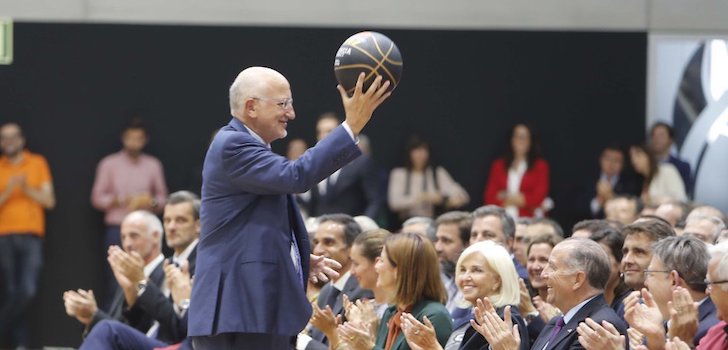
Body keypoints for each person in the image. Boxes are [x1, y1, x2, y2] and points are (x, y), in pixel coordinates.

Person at [187, 67, 391, 349]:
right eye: (283, 103)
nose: (291, 113)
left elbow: (253, 228)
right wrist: (351, 126)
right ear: (251, 107)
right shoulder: (233, 144)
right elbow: (296, 177)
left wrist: (294, 260)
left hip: (251, 311)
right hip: (238, 311)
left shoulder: (250, 147)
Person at [470, 239, 627, 350]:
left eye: (552, 267)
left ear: (578, 279)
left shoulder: (599, 327)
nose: (544, 274)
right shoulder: (557, 322)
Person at [91, 119, 168, 307]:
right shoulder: (109, 164)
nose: (134, 143)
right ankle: (114, 324)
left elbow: (164, 198)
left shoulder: (153, 165)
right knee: (115, 279)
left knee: (148, 275)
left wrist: (149, 201)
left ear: (145, 140)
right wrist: (120, 200)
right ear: (123, 139)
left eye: (138, 138)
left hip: (145, 230)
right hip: (117, 228)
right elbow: (97, 198)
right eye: (130, 138)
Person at [400, 240, 529, 350]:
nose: (465, 277)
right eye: (462, 270)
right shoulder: (468, 317)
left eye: (476, 270)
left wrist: (434, 347)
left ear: (497, 280)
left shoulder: (505, 320)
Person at [337, 233, 453, 350]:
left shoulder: (433, 316)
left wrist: (368, 346)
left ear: (399, 270)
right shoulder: (391, 312)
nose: (376, 267)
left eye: (381, 261)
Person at [63, 211, 166, 337]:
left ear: (155, 236)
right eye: (123, 237)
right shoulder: (126, 277)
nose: (127, 244)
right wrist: (91, 316)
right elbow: (121, 327)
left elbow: (144, 333)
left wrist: (95, 315)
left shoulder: (168, 274)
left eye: (134, 236)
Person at [0, 122, 55, 348]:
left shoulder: (37, 163)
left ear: (22, 140)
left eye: (13, 137)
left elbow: (49, 201)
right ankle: (21, 346)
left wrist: (26, 189)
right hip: (4, 236)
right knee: (12, 292)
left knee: (27, 291)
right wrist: (9, 190)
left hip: (31, 236)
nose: (9, 141)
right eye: (4, 138)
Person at [301, 214, 372, 350]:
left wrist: (302, 342)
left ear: (352, 248)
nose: (318, 250)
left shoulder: (364, 290)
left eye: (329, 242)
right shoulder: (327, 290)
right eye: (316, 242)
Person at [302, 113, 385, 220]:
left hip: (351, 229)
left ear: (341, 134)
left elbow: (375, 200)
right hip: (320, 229)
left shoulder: (361, 162)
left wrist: (362, 226)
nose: (323, 136)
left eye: (329, 131)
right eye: (320, 132)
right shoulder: (315, 164)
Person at [388, 135, 469, 222]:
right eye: (416, 150)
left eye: (424, 150)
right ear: (409, 152)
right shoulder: (399, 174)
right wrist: (422, 197)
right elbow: (394, 203)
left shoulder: (436, 173)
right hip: (405, 222)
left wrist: (448, 200)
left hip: (431, 221)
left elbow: (463, 196)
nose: (420, 155)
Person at [483, 123, 549, 218]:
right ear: (512, 139)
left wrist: (506, 197)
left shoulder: (540, 166)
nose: (520, 141)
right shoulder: (498, 165)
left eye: (524, 137)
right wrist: (522, 197)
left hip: (529, 220)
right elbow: (489, 198)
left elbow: (538, 198)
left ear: (530, 141)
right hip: (502, 219)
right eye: (517, 136)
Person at [470, 205, 529, 282]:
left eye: (488, 235)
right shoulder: (464, 276)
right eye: (474, 235)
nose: (477, 240)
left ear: (509, 242)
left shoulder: (521, 280)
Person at [433, 211, 473, 314]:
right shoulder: (446, 283)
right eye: (437, 240)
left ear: (467, 244)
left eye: (446, 241)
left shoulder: (475, 289)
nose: (438, 248)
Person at [588, 145, 639, 218]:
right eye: (608, 159)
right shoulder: (589, 180)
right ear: (600, 160)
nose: (611, 164)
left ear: (623, 164)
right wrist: (598, 200)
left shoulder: (630, 184)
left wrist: (610, 196)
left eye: (616, 160)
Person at [649, 122, 692, 195]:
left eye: (661, 135)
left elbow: (684, 192)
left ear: (670, 139)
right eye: (654, 135)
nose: (657, 139)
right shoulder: (646, 165)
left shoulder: (682, 166)